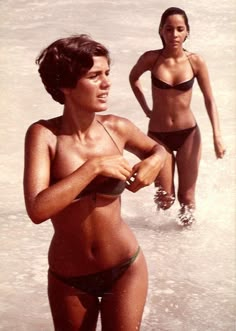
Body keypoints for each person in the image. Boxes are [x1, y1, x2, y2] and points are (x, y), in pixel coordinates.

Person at [23, 34, 166, 331]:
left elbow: (158, 149)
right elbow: (37, 209)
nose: (107, 83)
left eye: (107, 73)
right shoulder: (44, 135)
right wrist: (93, 167)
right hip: (69, 278)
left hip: (125, 267)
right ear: (65, 84)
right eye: (94, 76)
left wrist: (155, 162)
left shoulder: (117, 128)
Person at [129, 7, 226, 226]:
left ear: (187, 32)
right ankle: (158, 245)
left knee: (187, 198)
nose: (174, 34)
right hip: (157, 137)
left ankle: (186, 247)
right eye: (169, 29)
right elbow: (133, 78)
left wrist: (217, 136)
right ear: (161, 31)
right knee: (165, 199)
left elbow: (210, 99)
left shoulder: (195, 61)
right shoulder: (151, 59)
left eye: (179, 29)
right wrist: (145, 108)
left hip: (188, 134)